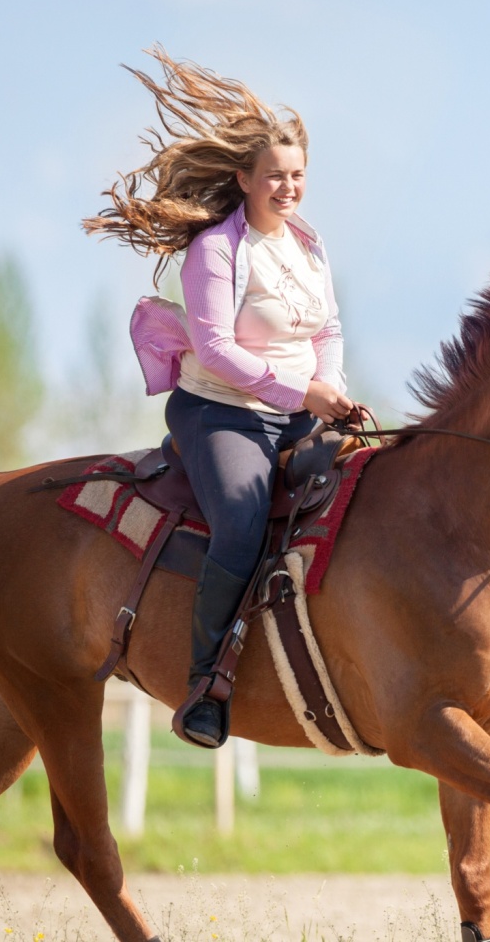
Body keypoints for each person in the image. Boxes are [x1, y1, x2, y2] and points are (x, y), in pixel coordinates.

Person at [83, 47, 359, 748]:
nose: (289, 187)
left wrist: (336, 392)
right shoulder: (215, 250)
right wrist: (308, 390)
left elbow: (327, 327)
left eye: (298, 176)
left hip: (301, 408)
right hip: (220, 414)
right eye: (275, 176)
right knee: (239, 520)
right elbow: (215, 351)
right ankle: (204, 683)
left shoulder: (308, 243)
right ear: (244, 179)